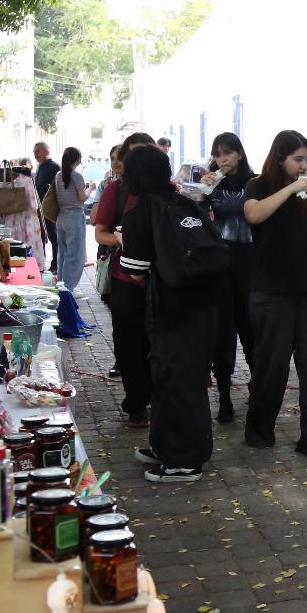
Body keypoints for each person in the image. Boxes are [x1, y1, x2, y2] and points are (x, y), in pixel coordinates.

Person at [119, 144, 218, 483]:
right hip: (203, 305)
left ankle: (184, 460)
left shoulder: (139, 214)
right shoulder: (185, 203)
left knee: (176, 382)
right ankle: (165, 444)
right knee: (176, 379)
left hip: (169, 309)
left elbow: (136, 271)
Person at [244, 130, 307, 457]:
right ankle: (259, 432)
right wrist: (289, 189)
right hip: (273, 290)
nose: (304, 165)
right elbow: (253, 215)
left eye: (306, 159)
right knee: (272, 364)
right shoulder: (259, 185)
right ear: (280, 158)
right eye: (297, 159)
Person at [93, 132, 158, 425]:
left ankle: (159, 397)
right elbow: (100, 233)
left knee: (156, 344)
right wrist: (123, 239)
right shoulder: (115, 190)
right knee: (129, 345)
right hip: (125, 280)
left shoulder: (166, 191)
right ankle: (136, 403)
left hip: (162, 281)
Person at [206, 132, 257, 424]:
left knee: (252, 332)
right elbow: (193, 209)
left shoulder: (256, 182)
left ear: (239, 153)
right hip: (222, 266)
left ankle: (257, 386)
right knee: (222, 336)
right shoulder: (212, 182)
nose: (222, 159)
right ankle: (224, 397)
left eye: (227, 153)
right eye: (218, 154)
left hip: (251, 265)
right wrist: (203, 187)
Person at [0, 161, 45, 272]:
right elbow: (33, 205)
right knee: (25, 257)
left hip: (5, 226)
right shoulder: (26, 182)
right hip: (25, 225)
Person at [51, 147, 89, 293]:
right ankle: (67, 288)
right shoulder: (77, 176)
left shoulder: (58, 175)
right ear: (78, 159)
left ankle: (61, 285)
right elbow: (82, 198)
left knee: (63, 253)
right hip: (74, 216)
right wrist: (90, 188)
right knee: (75, 255)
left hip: (61, 217)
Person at [33, 142, 60, 275]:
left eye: (37, 151)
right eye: (34, 152)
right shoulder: (40, 166)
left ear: (46, 151)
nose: (35, 154)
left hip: (50, 209)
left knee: (54, 237)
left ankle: (56, 264)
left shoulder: (54, 166)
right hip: (39, 208)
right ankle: (41, 263)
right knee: (41, 236)